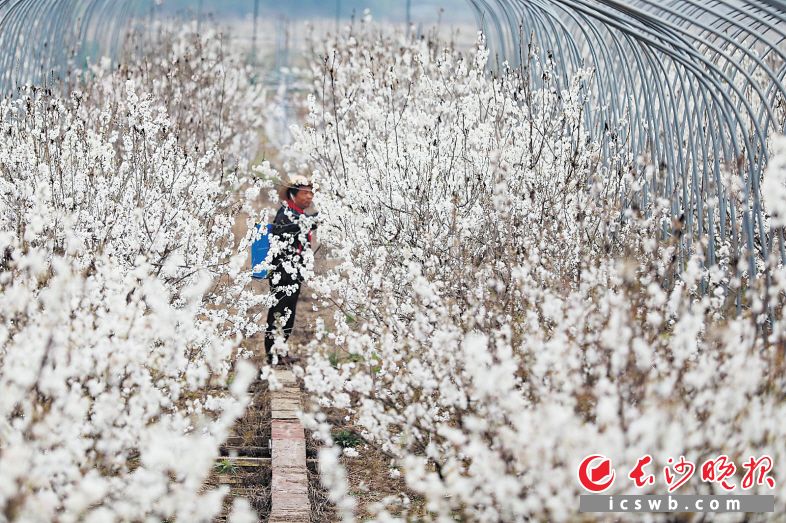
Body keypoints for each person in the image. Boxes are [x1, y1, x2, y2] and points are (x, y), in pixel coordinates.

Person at [264, 175, 318, 364]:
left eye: (311, 193)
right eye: (305, 193)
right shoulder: (285, 213)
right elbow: (287, 230)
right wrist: (314, 220)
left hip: (293, 273)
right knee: (279, 313)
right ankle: (273, 354)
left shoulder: (297, 213)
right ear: (293, 194)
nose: (309, 197)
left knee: (288, 313)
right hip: (283, 274)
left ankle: (281, 351)